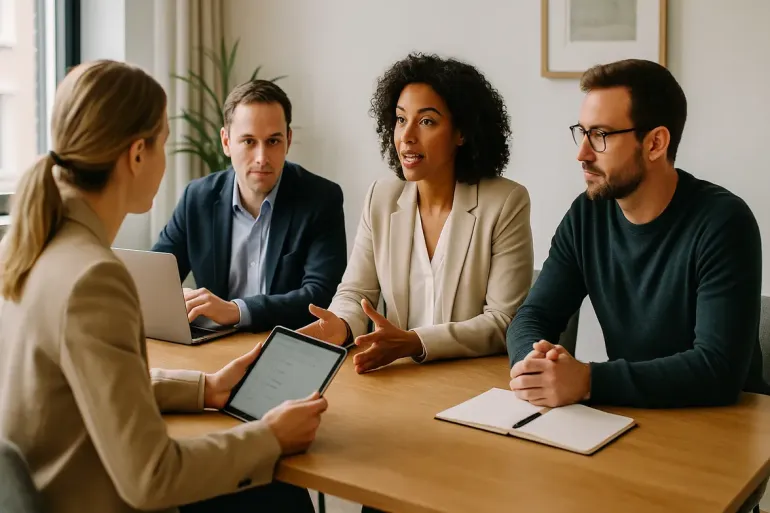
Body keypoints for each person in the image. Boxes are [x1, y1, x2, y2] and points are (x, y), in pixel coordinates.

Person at [0, 60, 327, 513]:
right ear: (138, 154)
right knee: (275, 492)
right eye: (164, 143)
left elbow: (89, 386)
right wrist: (270, 436)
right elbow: (152, 477)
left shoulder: (25, 247)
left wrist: (205, 388)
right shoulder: (93, 279)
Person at [507, 58, 768, 409]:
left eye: (600, 135)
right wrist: (534, 365)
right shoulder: (587, 213)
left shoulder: (724, 222)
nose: (582, 153)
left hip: (723, 424)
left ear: (655, 143)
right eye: (582, 132)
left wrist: (588, 380)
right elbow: (533, 315)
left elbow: (718, 369)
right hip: (630, 414)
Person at [299, 52, 534, 377]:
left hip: (471, 381)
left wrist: (414, 342)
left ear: (462, 132)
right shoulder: (381, 197)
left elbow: (503, 321)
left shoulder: (506, 202)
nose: (406, 135)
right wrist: (340, 324)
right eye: (400, 119)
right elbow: (356, 292)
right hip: (401, 377)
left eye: (427, 121)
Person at [151, 79, 347, 332]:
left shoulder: (321, 198)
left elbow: (321, 296)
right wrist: (183, 300)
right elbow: (156, 280)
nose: (262, 158)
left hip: (286, 343)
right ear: (226, 142)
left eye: (273, 141)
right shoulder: (197, 198)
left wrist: (237, 311)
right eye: (248, 141)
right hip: (215, 344)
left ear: (288, 140)